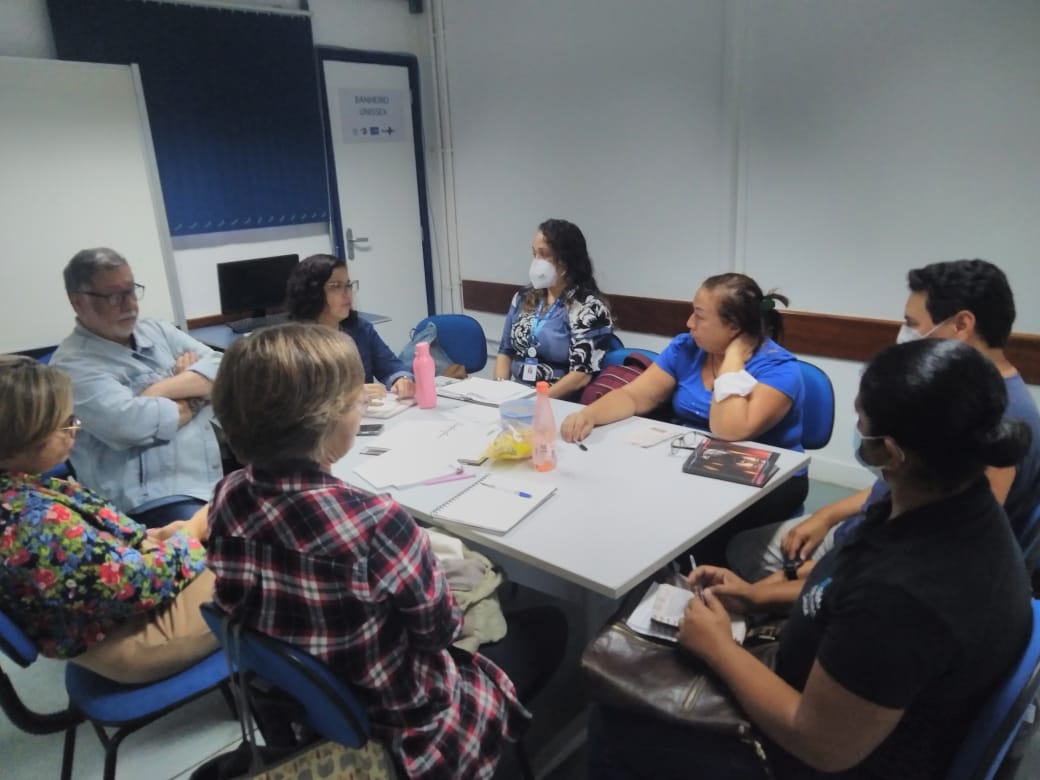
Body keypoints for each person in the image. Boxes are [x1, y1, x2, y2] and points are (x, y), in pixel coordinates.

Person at [590, 339, 1034, 779]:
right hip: (825, 673)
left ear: (893, 452)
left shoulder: (907, 595)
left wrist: (718, 648)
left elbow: (821, 744)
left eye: (861, 422)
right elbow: (841, 582)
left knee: (615, 719)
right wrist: (755, 595)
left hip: (819, 752)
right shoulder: (943, 504)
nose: (857, 432)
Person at [207, 323, 530, 780]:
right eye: (353, 398)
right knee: (546, 628)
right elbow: (439, 633)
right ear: (323, 418)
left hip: (312, 704)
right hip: (404, 728)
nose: (361, 404)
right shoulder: (378, 522)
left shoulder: (228, 495)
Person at [728, 259, 1040, 584]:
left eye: (911, 322)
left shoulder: (993, 417)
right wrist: (828, 514)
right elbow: (902, 488)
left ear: (962, 324)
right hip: (867, 532)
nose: (903, 333)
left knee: (739, 551)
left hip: (882, 562)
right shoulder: (963, 391)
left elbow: (941, 549)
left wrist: (816, 578)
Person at [0, 356, 217, 685]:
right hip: (134, 637)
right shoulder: (33, 522)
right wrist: (191, 531)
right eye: (66, 424)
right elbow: (137, 584)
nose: (75, 430)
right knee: (266, 567)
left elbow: (101, 551)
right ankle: (290, 697)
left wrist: (159, 538)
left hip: (118, 610)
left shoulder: (27, 488)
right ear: (23, 438)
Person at [561, 272, 807, 545]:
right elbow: (634, 396)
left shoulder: (779, 368)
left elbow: (729, 430)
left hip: (767, 482)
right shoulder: (687, 348)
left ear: (734, 327)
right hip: (694, 465)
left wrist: (732, 360)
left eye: (700, 316)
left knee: (692, 534)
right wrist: (589, 414)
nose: (689, 323)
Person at [49, 247, 223, 515]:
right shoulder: (71, 366)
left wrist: (159, 390)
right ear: (78, 302)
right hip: (154, 499)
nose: (129, 303)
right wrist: (199, 387)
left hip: (216, 473)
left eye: (131, 290)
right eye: (114, 296)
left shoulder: (158, 330)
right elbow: (130, 423)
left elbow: (226, 368)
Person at [493, 218, 614, 399]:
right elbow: (505, 352)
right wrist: (499, 395)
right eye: (534, 254)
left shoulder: (588, 308)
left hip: (559, 401)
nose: (536, 261)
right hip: (517, 397)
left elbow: (580, 376)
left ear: (565, 260)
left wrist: (537, 402)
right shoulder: (523, 297)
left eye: (544, 254)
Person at [285, 253, 415, 401]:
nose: (347, 294)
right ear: (313, 292)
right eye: (336, 287)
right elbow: (300, 400)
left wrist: (402, 379)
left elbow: (393, 367)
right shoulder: (293, 343)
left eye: (348, 285)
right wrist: (349, 396)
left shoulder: (360, 329)